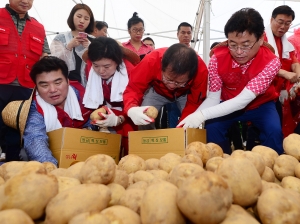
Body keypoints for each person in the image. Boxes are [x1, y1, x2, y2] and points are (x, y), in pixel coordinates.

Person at [178, 8, 283, 155]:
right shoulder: (217, 59)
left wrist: (201, 115)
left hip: (261, 105)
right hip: (227, 102)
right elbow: (214, 97)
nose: (239, 51)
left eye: (246, 45)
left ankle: (272, 168)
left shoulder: (271, 62)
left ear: (260, 40)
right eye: (232, 44)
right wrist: (195, 115)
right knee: (212, 128)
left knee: (274, 131)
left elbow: (242, 101)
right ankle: (220, 163)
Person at [2, 56, 94, 165]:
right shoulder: (35, 108)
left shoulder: (84, 96)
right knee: (25, 154)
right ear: (36, 87)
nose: (53, 90)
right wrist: (51, 167)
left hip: (84, 148)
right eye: (44, 85)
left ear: (68, 81)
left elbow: (94, 119)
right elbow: (35, 139)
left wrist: (89, 128)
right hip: (52, 151)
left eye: (58, 83)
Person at [0, 0, 50, 162]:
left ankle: (12, 167)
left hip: (25, 87)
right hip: (1, 83)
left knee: (16, 132)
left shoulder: (39, 27)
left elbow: (44, 57)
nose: (25, 1)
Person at [123, 43, 208, 129]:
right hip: (157, 92)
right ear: (162, 66)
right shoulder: (151, 60)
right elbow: (134, 88)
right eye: (168, 79)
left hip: (184, 94)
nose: (172, 86)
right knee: (143, 118)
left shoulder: (201, 72)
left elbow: (194, 102)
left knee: (190, 124)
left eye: (179, 82)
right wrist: (131, 108)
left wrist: (182, 128)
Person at [83, 37, 140, 155]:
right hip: (105, 109)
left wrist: (120, 119)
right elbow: (93, 96)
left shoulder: (131, 71)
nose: (101, 71)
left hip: (130, 109)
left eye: (107, 66)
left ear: (118, 61)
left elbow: (137, 101)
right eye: (96, 65)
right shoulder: (90, 67)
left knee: (132, 147)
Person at [264, 5, 300, 137]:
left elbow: (294, 62)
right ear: (271, 20)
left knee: (276, 128)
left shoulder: (286, 43)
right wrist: (285, 74)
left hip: (277, 93)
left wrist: (298, 76)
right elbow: (262, 65)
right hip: (261, 95)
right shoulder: (260, 39)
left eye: (287, 23)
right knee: (262, 129)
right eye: (280, 22)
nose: (283, 27)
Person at [50, 3, 95, 87]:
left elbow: (100, 62)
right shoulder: (61, 38)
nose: (82, 21)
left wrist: (91, 48)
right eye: (79, 16)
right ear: (72, 17)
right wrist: (69, 46)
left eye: (86, 18)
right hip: (64, 85)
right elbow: (52, 62)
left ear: (90, 21)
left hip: (89, 85)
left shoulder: (94, 40)